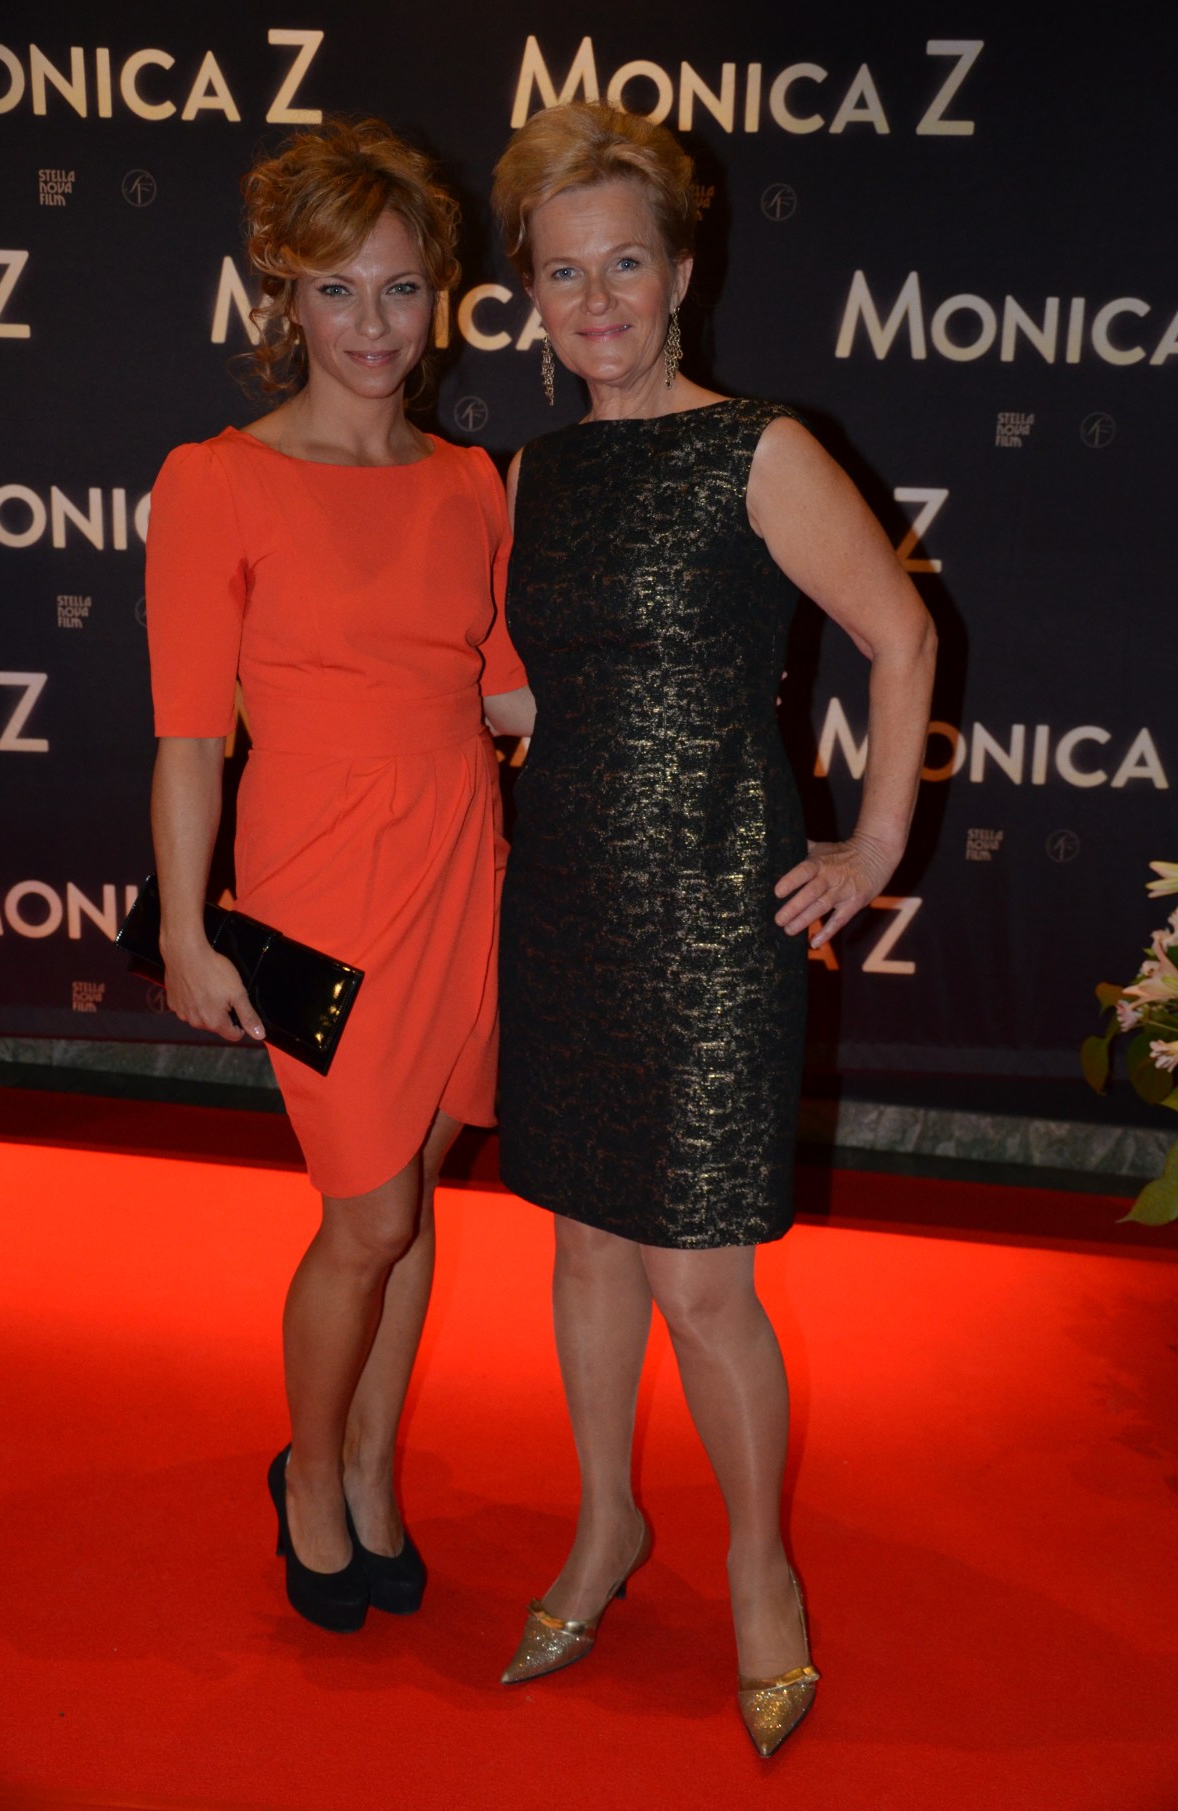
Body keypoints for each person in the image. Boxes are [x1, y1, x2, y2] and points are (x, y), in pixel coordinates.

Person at [490, 101, 936, 1756]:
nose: (596, 299)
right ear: (532, 297)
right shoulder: (535, 472)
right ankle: (607, 1521)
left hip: (709, 909)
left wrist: (872, 843)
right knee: (582, 1244)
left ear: (682, 274)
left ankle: (760, 1571)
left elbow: (901, 636)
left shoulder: (759, 448)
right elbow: (550, 690)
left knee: (702, 1283)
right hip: (567, 894)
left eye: (625, 264)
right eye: (563, 273)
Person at [145, 118, 533, 1633]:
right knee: (365, 1216)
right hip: (315, 888)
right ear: (286, 298)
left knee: (413, 1198)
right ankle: (309, 1473)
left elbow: (509, 693)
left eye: (401, 288)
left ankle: (373, 1466)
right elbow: (190, 738)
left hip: (463, 870)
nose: (374, 325)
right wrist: (190, 931)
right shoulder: (217, 481)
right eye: (338, 290)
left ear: (440, 296)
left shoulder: (473, 480)